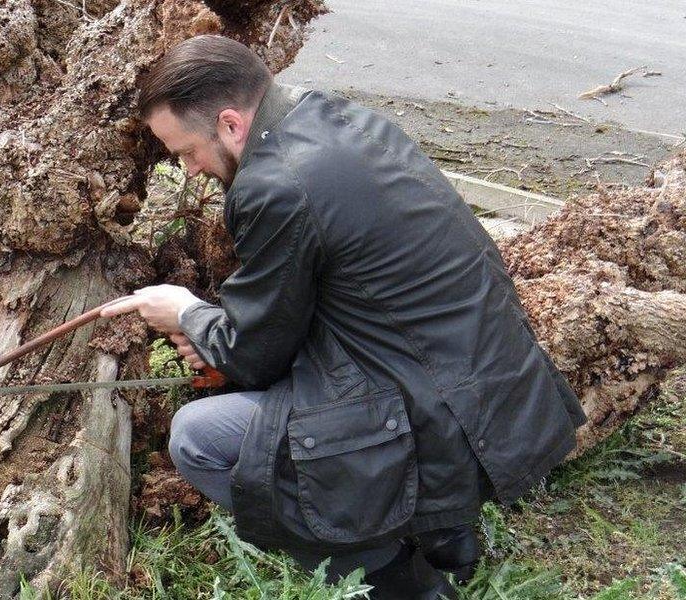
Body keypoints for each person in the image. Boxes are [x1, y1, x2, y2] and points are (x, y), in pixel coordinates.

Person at [101, 35, 586, 599]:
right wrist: (219, 329)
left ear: (231, 123)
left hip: (439, 417)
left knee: (197, 438)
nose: (187, 172)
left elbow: (255, 357)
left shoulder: (274, 186)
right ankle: (445, 532)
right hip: (497, 395)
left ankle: (388, 575)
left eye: (186, 152)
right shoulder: (345, 120)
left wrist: (188, 314)